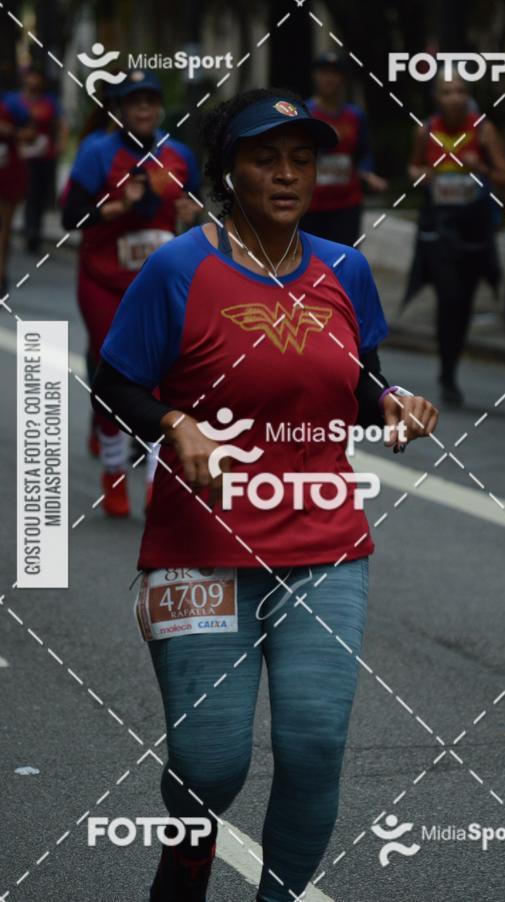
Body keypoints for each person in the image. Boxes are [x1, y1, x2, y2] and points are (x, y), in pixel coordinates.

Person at [90, 87, 438, 902]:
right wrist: (176, 422)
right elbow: (115, 384)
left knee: (315, 746)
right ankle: (187, 853)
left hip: (325, 541)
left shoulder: (344, 269)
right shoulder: (179, 267)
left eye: (301, 159)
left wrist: (394, 405)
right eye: (263, 158)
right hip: (198, 544)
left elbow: (360, 386)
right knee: (210, 764)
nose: (286, 175)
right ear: (227, 170)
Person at [61, 70, 201, 516]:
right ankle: (114, 470)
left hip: (156, 286)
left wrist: (193, 211)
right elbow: (70, 218)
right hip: (102, 279)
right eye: (133, 102)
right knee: (112, 370)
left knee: (163, 378)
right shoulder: (97, 153)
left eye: (149, 101)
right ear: (119, 110)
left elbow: (195, 210)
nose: (142, 109)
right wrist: (119, 206)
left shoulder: (178, 155)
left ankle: (158, 481)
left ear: (158, 107)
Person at [403, 72, 505, 405]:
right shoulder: (425, 130)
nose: (454, 97)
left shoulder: (483, 129)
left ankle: (449, 367)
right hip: (439, 230)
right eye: (447, 91)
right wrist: (421, 175)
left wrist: (481, 167)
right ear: (436, 98)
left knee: (464, 301)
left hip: (473, 229)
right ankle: (447, 370)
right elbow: (411, 166)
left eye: (460, 91)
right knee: (448, 296)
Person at [301, 51, 388, 245]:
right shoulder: (304, 112)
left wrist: (367, 173)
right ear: (315, 76)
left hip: (347, 203)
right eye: (324, 72)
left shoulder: (355, 116)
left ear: (343, 79)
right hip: (311, 204)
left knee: (344, 259)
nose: (329, 79)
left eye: (335, 73)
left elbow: (364, 152)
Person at [19, 67, 68, 254]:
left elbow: (61, 124)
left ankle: (35, 230)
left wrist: (60, 145)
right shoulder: (18, 101)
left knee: (40, 194)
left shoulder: (49, 102)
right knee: (29, 192)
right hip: (23, 156)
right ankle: (29, 228)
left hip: (45, 155)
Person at [0, 83, 33, 294]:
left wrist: (9, 131)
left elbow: (30, 132)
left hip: (8, 171)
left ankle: (1, 274)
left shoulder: (12, 103)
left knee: (4, 227)